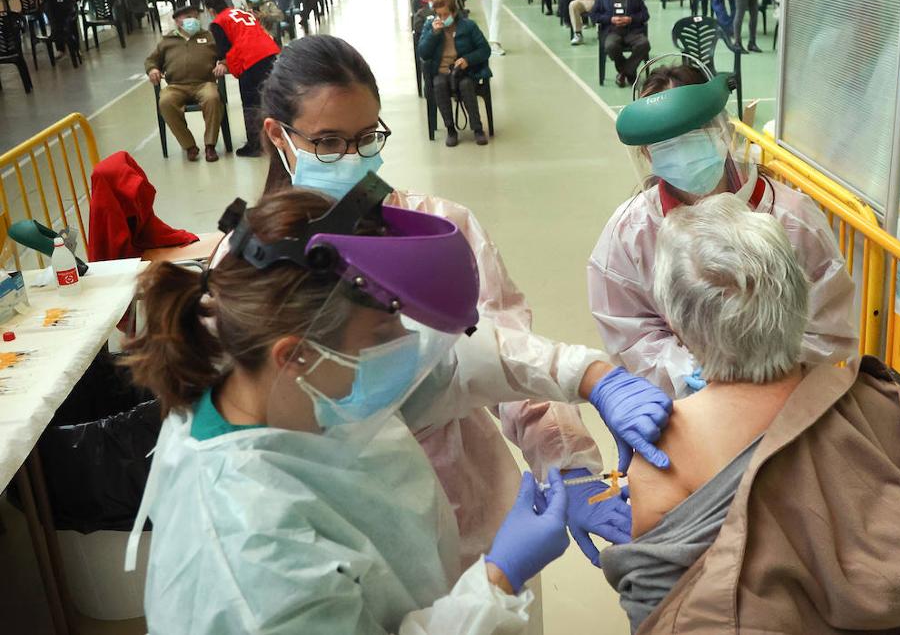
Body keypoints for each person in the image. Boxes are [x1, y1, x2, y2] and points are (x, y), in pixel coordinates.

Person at [255, 34, 674, 579]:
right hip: (334, 528)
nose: (353, 159)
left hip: (466, 503)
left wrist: (567, 461)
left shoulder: (438, 232)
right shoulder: (252, 268)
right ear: (279, 137)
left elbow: (500, 352)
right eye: (329, 142)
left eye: (366, 138)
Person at [124, 177, 579, 634]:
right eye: (381, 337)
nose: (404, 347)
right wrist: (498, 580)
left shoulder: (269, 377)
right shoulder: (252, 552)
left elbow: (442, 371)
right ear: (294, 355)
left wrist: (587, 374)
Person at [600, 195, 900, 633]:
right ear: (800, 297)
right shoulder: (877, 403)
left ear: (679, 325)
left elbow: (660, 616)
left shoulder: (663, 451)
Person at [589, 64, 859, 398]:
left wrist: (767, 372)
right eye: (665, 145)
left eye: (692, 135)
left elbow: (828, 327)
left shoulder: (791, 218)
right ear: (646, 153)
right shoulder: (630, 234)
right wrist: (686, 371)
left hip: (784, 404)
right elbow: (627, 330)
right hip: (685, 406)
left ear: (722, 131)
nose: (682, 154)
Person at [203, 0, 280, 157]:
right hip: (268, 52)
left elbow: (223, 49)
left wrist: (222, 62)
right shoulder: (241, 12)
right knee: (269, 97)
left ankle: (255, 145)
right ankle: (276, 139)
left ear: (210, 10)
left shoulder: (218, 22)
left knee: (251, 102)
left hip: (251, 58)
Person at [145, 5, 223, 162]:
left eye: (195, 17)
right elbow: (151, 60)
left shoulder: (209, 37)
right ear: (177, 21)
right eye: (188, 17)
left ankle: (210, 145)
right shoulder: (167, 41)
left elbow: (225, 54)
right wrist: (152, 69)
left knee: (213, 98)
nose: (193, 20)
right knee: (165, 102)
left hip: (204, 83)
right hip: (176, 86)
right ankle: (189, 146)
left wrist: (223, 64)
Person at [418, 0, 491, 147]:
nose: (443, 18)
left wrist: (468, 59)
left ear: (454, 12)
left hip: (464, 71)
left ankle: (477, 128)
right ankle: (450, 129)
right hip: (441, 71)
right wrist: (434, 34)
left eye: (446, 14)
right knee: (438, 85)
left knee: (466, 85)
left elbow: (485, 50)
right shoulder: (429, 26)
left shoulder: (468, 26)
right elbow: (423, 53)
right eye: (439, 15)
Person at [591, 0, 650, 87]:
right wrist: (610, 19)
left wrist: (631, 19)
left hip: (632, 31)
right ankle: (630, 72)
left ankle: (624, 72)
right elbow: (594, 16)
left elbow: (645, 15)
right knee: (610, 46)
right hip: (611, 31)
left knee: (644, 44)